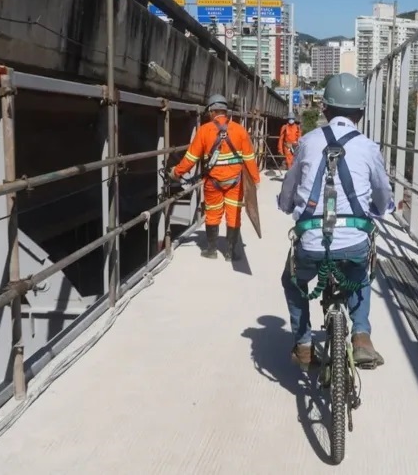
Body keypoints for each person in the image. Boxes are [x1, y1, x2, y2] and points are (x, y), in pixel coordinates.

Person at [277, 73, 394, 371]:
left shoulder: (306, 142)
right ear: (361, 113)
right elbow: (382, 192)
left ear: (324, 109)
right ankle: (362, 336)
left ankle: (304, 344)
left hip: (311, 242)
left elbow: (290, 187)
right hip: (353, 240)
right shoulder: (368, 147)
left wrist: (286, 205)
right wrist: (383, 208)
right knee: (360, 273)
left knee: (293, 281)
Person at [169, 94, 260, 261]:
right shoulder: (239, 130)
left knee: (213, 213)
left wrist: (176, 172)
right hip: (236, 183)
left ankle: (211, 251)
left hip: (213, 182)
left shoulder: (204, 131)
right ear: (226, 112)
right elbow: (249, 159)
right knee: (233, 214)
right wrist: (255, 180)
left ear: (211, 112)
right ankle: (230, 253)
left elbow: (190, 159)